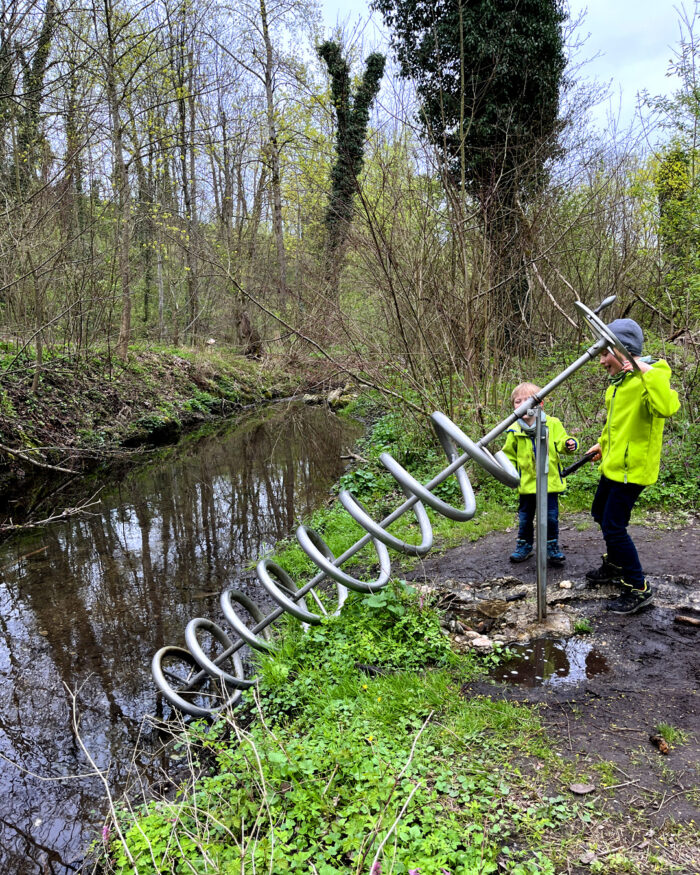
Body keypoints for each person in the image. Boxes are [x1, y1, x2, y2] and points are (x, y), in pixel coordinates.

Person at [585, 318, 680, 614]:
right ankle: (615, 564)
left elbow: (667, 408)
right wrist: (602, 443)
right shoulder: (618, 384)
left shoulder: (651, 378)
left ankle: (639, 588)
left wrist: (646, 373)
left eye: (605, 353)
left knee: (614, 526)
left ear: (623, 349)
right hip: (614, 465)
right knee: (599, 512)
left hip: (633, 470)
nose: (601, 361)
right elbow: (616, 426)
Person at [503, 382, 578, 565]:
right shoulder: (514, 429)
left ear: (540, 403)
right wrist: (508, 473)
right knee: (525, 518)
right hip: (527, 484)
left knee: (550, 517)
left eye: (527, 400)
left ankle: (551, 547)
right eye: (517, 401)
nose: (522, 404)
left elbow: (562, 441)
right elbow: (508, 455)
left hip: (549, 483)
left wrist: (570, 443)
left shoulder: (552, 423)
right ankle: (524, 546)